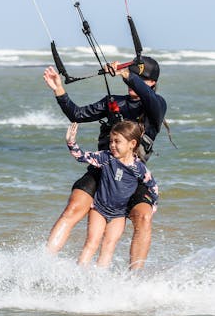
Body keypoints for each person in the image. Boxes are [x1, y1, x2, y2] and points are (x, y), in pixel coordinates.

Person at [43, 56, 167, 269]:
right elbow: (77, 114)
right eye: (132, 76)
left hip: (132, 175)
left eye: (140, 78)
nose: (133, 82)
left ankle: (134, 280)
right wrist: (59, 90)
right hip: (103, 168)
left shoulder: (156, 107)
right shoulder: (114, 102)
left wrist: (127, 74)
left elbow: (148, 97)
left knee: (144, 218)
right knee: (74, 206)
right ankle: (42, 264)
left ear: (151, 83)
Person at [66, 120, 158, 267]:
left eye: (117, 141)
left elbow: (152, 187)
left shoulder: (139, 168)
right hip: (99, 209)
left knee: (108, 246)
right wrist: (71, 142)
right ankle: (79, 274)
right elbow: (81, 156)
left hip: (119, 215)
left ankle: (99, 279)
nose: (112, 145)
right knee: (92, 242)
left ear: (132, 144)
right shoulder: (106, 158)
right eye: (111, 141)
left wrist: (153, 207)